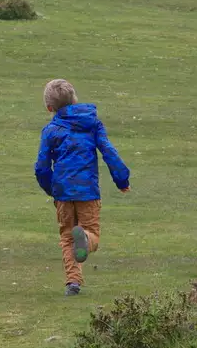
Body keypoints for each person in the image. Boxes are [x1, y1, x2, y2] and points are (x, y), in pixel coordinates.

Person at [35, 79, 130, 296]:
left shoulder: (50, 130)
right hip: (87, 191)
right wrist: (122, 179)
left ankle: (73, 282)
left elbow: (41, 167)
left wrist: (52, 189)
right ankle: (86, 240)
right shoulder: (92, 125)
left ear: (50, 108)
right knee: (91, 233)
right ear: (75, 100)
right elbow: (109, 152)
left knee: (67, 237)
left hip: (63, 194)